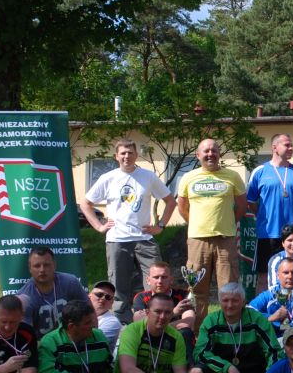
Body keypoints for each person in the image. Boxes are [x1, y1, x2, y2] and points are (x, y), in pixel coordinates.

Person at [79, 137, 176, 323]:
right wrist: (99, 226)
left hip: (144, 238)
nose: (126, 156)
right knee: (118, 286)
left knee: (157, 281)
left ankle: (155, 318)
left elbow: (170, 201)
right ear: (116, 156)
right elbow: (86, 203)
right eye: (123, 153)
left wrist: (161, 225)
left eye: (130, 152)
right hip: (117, 239)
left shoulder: (148, 177)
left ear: (136, 155)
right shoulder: (108, 178)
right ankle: (120, 323)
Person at [189, 282, 279, 373]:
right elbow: (200, 353)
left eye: (235, 300)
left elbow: (274, 351)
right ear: (219, 302)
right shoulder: (211, 321)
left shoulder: (257, 320)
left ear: (243, 302)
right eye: (225, 300)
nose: (230, 305)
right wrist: (228, 368)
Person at [176, 138, 247, 323]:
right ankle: (198, 332)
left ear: (219, 154)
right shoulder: (188, 177)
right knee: (197, 289)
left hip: (225, 239)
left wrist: (227, 222)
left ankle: (229, 330)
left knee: (229, 289)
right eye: (206, 151)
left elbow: (241, 206)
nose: (210, 154)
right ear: (198, 155)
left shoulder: (233, 176)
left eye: (214, 150)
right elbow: (182, 207)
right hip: (198, 240)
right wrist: (197, 224)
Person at [245, 132, 293, 294]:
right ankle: (261, 309)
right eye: (287, 145)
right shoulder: (260, 171)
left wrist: (291, 216)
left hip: (292, 236)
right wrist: (265, 216)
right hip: (268, 233)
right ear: (274, 147)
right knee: (264, 277)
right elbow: (251, 202)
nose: (291, 148)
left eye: (292, 145)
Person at [18, 246, 89, 338]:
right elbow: (26, 337)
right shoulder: (24, 298)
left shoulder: (70, 282)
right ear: (30, 268)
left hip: (73, 339)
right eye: (37, 266)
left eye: (46, 265)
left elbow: (89, 312)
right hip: (42, 344)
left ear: (54, 265)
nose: (42, 270)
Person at [131, 262, 197, 356]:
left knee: (186, 333)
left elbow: (187, 323)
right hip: (150, 340)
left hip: (175, 338)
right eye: (156, 277)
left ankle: (187, 365)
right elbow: (140, 323)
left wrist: (155, 325)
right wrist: (174, 312)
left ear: (171, 279)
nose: (160, 281)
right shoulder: (141, 297)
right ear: (148, 280)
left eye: (164, 277)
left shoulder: (183, 295)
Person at [249, 257, 293, 331]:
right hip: (275, 337)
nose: (290, 276)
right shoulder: (270, 295)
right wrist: (271, 317)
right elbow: (248, 312)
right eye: (286, 273)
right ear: (278, 275)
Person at [89, 280, 124, 349]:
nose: (103, 298)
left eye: (108, 297)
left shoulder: (112, 322)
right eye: (99, 294)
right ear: (89, 296)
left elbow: (94, 344)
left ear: (112, 302)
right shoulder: (79, 313)